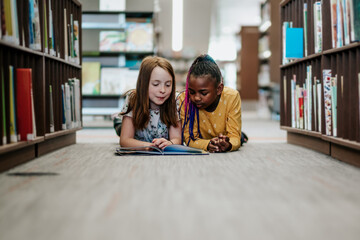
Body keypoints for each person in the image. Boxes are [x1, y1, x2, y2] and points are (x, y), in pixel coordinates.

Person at [178, 54, 244, 153]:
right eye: (191, 92)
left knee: (240, 138)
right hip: (203, 138)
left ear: (219, 89)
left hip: (224, 136)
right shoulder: (184, 99)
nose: (196, 98)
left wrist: (229, 144)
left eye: (203, 93)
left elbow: (234, 137)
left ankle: (242, 135)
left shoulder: (232, 97)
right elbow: (189, 139)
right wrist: (208, 144)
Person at [119, 56, 182, 149]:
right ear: (143, 84)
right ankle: (117, 120)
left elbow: (177, 138)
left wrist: (170, 143)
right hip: (137, 133)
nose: (163, 90)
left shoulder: (175, 101)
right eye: (156, 84)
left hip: (156, 139)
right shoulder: (132, 99)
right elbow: (125, 140)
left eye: (168, 85)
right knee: (120, 127)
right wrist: (150, 146)